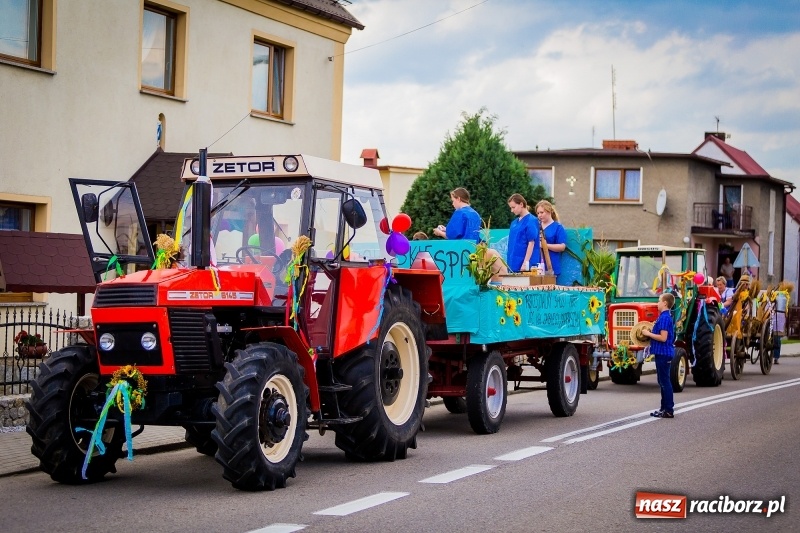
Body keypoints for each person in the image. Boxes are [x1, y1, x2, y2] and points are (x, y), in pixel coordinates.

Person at [643, 292, 675, 419]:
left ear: (665, 303)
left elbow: (663, 337)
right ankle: (664, 408)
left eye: (659, 300)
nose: (657, 303)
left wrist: (648, 333)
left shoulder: (665, 318)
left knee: (665, 381)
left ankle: (668, 409)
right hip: (661, 353)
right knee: (662, 381)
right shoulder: (664, 317)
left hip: (663, 353)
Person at [506, 193, 540, 272]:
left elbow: (531, 243)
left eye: (513, 207)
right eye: (511, 208)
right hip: (512, 263)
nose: (512, 210)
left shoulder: (531, 220)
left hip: (525, 265)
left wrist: (525, 263)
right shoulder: (514, 222)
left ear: (521, 204)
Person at [535, 200, 567, 275]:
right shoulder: (536, 226)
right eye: (538, 213)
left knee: (549, 287)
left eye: (542, 212)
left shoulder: (558, 227)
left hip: (551, 265)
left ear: (549, 211)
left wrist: (545, 245)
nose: (539, 215)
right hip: (536, 266)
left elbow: (562, 247)